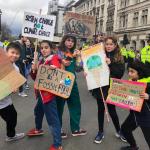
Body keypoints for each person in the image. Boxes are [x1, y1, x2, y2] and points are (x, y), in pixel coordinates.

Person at [27, 40, 62, 150]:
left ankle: (57, 144)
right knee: (37, 111)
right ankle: (38, 129)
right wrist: (33, 69)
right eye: (41, 48)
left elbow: (57, 68)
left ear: (51, 48)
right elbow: (35, 78)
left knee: (52, 120)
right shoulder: (41, 61)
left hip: (49, 96)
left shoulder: (54, 58)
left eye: (46, 47)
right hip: (41, 94)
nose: (43, 50)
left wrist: (54, 68)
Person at [91, 36, 126, 144]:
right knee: (100, 110)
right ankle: (100, 132)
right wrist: (88, 72)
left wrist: (111, 64)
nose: (108, 46)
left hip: (112, 88)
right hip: (100, 87)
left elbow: (119, 74)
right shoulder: (99, 55)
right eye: (107, 44)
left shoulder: (119, 57)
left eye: (111, 44)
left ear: (115, 45)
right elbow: (92, 68)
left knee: (112, 110)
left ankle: (118, 130)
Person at [56, 34, 87, 139]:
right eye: (68, 40)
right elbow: (65, 63)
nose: (70, 43)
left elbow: (78, 69)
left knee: (75, 105)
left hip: (72, 82)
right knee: (59, 106)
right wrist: (72, 56)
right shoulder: (59, 51)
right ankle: (58, 129)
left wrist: (79, 57)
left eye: (72, 41)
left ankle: (75, 128)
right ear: (64, 41)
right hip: (61, 82)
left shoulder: (74, 52)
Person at [120, 60, 150, 150]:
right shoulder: (132, 81)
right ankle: (133, 147)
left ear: (139, 72)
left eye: (132, 72)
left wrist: (148, 96)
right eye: (128, 71)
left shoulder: (148, 84)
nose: (129, 74)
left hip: (146, 117)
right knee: (125, 129)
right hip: (134, 114)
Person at [0, 42, 25, 142]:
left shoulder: (16, 68)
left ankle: (11, 135)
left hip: (4, 101)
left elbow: (14, 86)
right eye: (12, 52)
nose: (14, 55)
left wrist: (14, 88)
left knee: (12, 117)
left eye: (17, 53)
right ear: (6, 52)